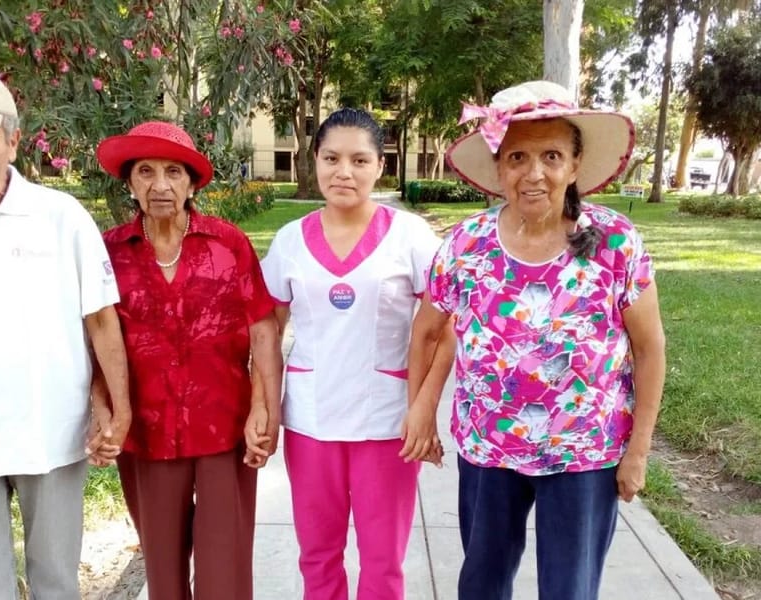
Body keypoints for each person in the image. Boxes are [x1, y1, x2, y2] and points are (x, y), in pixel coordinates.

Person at [407, 80, 666, 600]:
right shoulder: (466, 244)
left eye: (551, 155)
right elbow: (428, 332)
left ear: (574, 165)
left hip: (583, 453)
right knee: (481, 583)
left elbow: (649, 348)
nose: (534, 173)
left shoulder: (615, 242)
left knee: (568, 589)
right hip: (488, 447)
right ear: (499, 169)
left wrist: (637, 450)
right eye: (517, 156)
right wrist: (420, 410)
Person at [258, 107, 449, 600]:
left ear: (380, 166)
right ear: (314, 161)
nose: (344, 172)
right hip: (311, 418)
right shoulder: (289, 242)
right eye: (331, 158)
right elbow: (267, 329)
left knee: (383, 560)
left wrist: (423, 407)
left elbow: (446, 325)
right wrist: (264, 405)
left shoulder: (411, 238)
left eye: (359, 160)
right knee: (317, 555)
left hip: (386, 421)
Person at [0, 66, 130, 598]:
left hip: (51, 434)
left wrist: (118, 406)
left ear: (12, 141)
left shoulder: (60, 217)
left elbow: (101, 320)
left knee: (56, 581)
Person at [95, 120, 282, 600]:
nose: (160, 185)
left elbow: (262, 327)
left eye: (174, 172)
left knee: (226, 573)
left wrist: (265, 406)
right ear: (129, 182)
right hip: (149, 432)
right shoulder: (108, 252)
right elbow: (93, 336)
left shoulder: (228, 243)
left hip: (225, 427)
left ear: (192, 182)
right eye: (146, 172)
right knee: (162, 571)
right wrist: (104, 410)